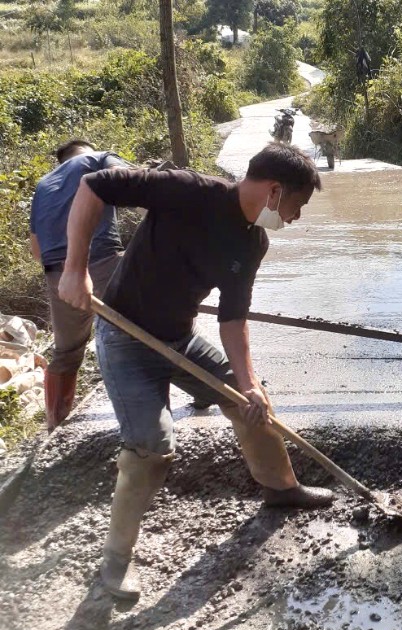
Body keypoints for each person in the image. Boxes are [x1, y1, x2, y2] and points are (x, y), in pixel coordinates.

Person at [58, 143, 334, 601]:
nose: (296, 217)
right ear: (275, 191)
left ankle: (281, 488)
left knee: (252, 401)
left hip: (178, 341)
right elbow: (92, 186)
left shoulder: (252, 242)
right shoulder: (187, 190)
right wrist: (74, 269)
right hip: (126, 339)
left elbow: (232, 318)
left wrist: (247, 385)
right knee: (151, 447)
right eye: (297, 206)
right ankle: (113, 564)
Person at [30, 139, 128, 432]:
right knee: (148, 330)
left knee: (67, 350)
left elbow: (36, 250)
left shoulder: (43, 185)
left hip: (58, 277)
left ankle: (55, 424)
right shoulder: (99, 159)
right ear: (87, 149)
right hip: (102, 262)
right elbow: (129, 181)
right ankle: (151, 411)